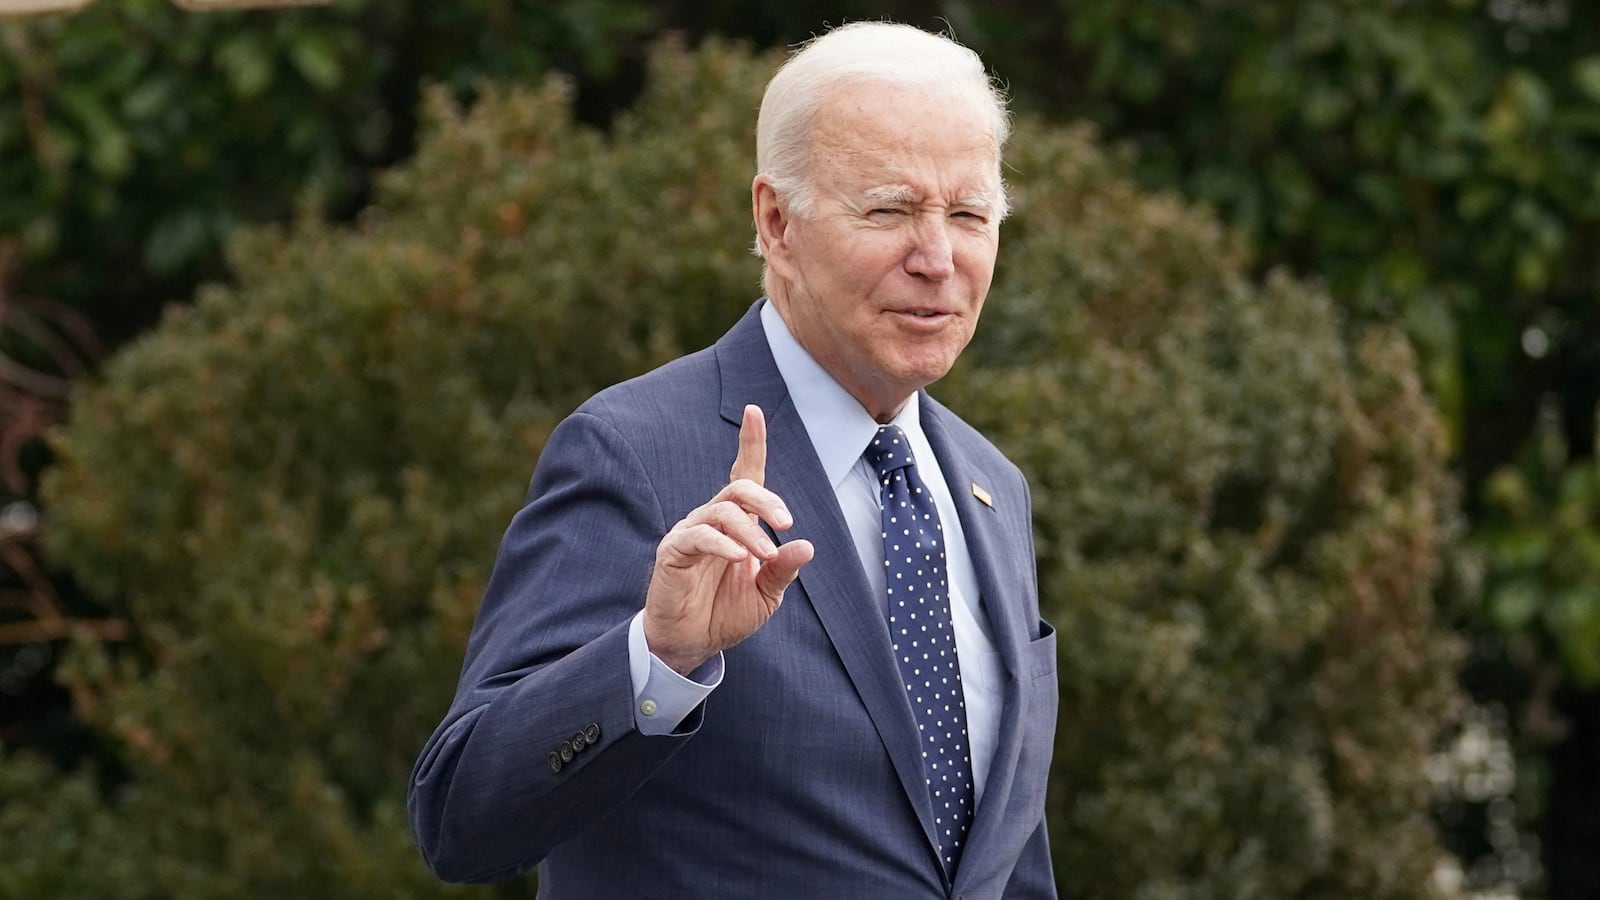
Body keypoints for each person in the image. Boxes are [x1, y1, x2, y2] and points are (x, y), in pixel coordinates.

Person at [408, 21, 1058, 898]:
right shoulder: (636, 452)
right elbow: (460, 818)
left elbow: (1006, 858)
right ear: (777, 222)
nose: (938, 259)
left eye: (970, 215)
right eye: (889, 210)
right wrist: (656, 659)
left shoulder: (991, 487)